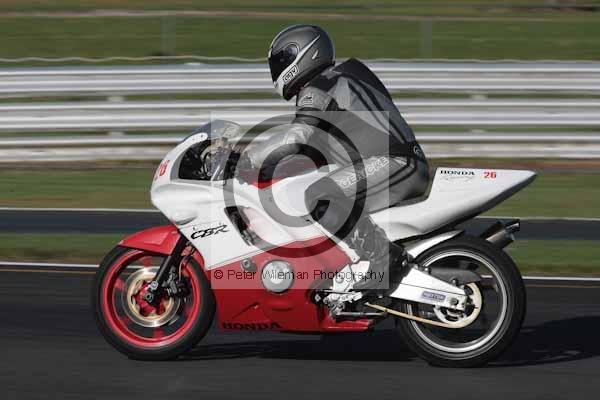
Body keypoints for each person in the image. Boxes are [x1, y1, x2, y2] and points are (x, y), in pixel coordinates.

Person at [243, 24, 430, 292]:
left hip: (395, 162)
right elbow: (308, 150)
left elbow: (296, 138)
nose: (277, 68)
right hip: (391, 161)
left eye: (282, 60)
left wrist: (247, 158)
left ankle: (383, 258)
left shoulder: (322, 86)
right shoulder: (334, 81)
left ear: (303, 54)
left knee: (320, 195)